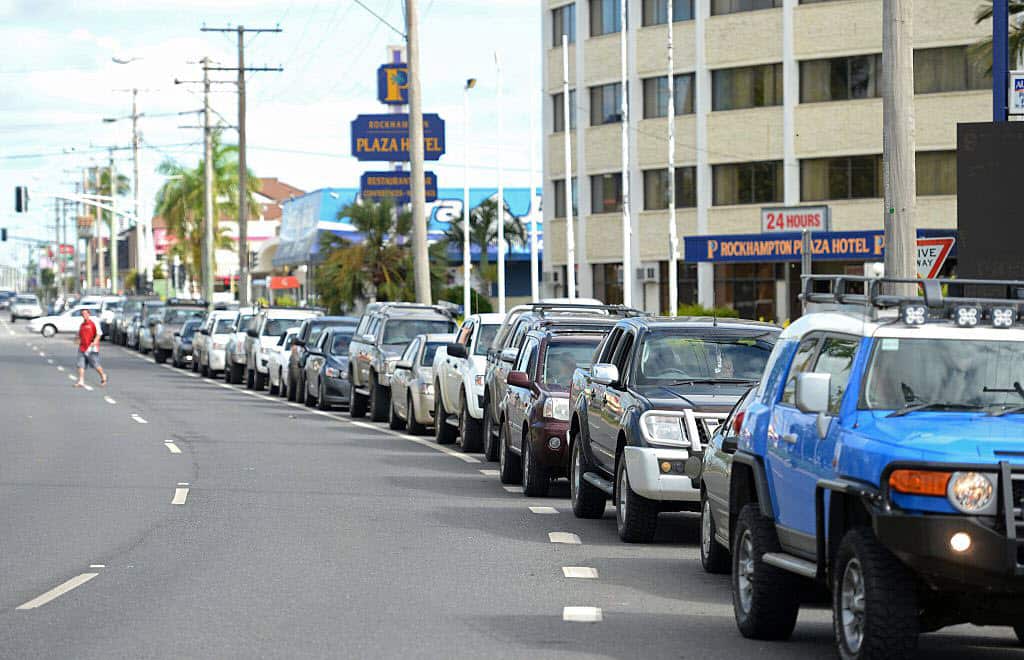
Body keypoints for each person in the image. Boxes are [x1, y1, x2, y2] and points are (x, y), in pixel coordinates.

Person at [75, 308, 107, 387]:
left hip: (92, 348)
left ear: (89, 314)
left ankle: (103, 375)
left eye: (85, 314)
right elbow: (79, 335)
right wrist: (77, 339)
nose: (84, 315)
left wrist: (95, 342)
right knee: (80, 365)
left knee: (95, 365)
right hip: (82, 347)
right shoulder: (82, 325)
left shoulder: (93, 323)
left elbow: (99, 334)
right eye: (82, 314)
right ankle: (81, 381)